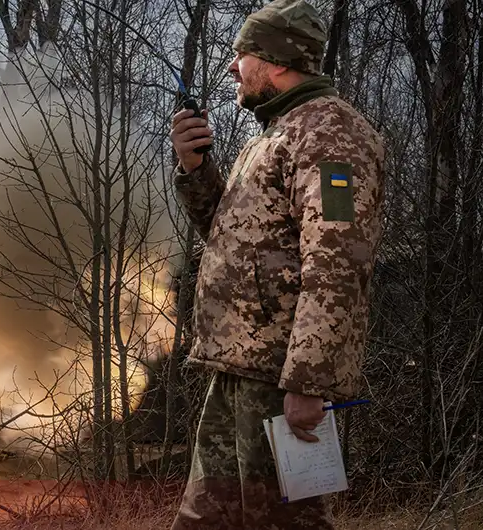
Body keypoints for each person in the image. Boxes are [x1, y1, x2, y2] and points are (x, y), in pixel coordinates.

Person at [168, 0, 385, 528]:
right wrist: (195, 168)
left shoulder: (331, 136)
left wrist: (308, 381)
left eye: (242, 54)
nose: (231, 66)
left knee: (286, 522)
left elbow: (338, 261)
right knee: (205, 520)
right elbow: (232, 238)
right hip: (238, 369)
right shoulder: (273, 134)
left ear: (278, 61)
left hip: (279, 375)